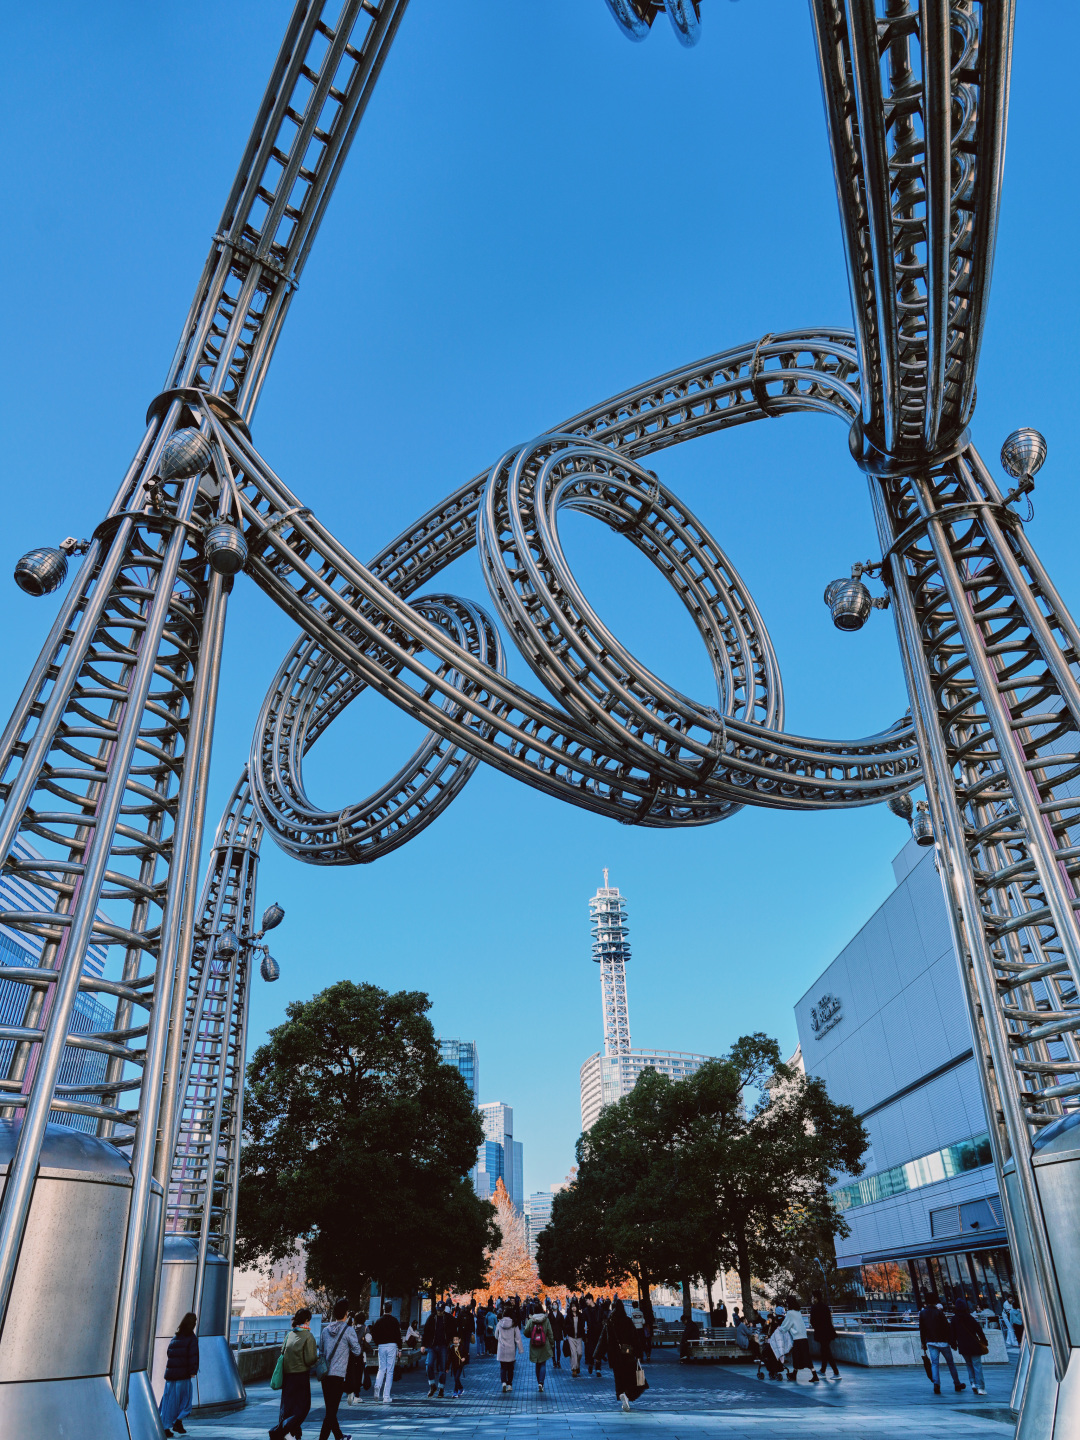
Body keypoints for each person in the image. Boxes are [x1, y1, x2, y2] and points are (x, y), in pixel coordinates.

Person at [317, 1299, 362, 1440]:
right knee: (331, 1412)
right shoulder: (348, 1331)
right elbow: (357, 1351)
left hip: (325, 1375)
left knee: (330, 1408)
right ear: (346, 1314)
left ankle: (339, 1436)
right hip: (338, 1375)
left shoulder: (325, 1331)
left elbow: (322, 1352)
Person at [270, 1308, 318, 1440]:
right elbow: (310, 1359)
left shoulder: (290, 1334)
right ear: (307, 1320)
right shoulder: (308, 1336)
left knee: (289, 1407)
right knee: (303, 1407)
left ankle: (293, 1434)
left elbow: (282, 1352)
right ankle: (279, 1431)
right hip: (301, 1376)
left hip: (287, 1377)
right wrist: (317, 1359)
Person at [595, 1300, 648, 1411]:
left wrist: (598, 1356)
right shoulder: (628, 1321)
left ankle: (621, 1393)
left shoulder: (610, 1322)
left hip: (614, 1355)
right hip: (628, 1354)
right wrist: (639, 1353)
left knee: (618, 1378)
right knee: (629, 1377)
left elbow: (602, 1340)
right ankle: (627, 1395)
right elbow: (635, 1339)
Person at [160, 1311, 199, 1437]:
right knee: (186, 1401)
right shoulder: (191, 1338)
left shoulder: (175, 1337)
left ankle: (165, 1426)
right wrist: (193, 1371)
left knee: (169, 1401)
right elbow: (193, 1356)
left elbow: (169, 1354)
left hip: (171, 1376)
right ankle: (178, 1421)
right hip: (183, 1375)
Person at [919, 1300, 966, 1395]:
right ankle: (957, 1383)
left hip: (931, 1342)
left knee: (934, 1364)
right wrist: (952, 1342)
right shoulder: (939, 1312)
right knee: (951, 1363)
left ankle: (936, 1384)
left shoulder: (923, 1313)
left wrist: (923, 1342)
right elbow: (946, 1327)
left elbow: (922, 1329)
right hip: (943, 1342)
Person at [951, 1299, 988, 1396]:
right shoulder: (970, 1318)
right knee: (977, 1366)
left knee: (969, 1364)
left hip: (963, 1346)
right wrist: (984, 1341)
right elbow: (979, 1330)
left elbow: (952, 1334)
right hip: (974, 1345)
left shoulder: (954, 1319)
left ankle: (973, 1383)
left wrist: (953, 1344)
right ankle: (980, 1387)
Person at [370, 1301, 403, 1404]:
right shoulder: (394, 1321)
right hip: (392, 1346)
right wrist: (400, 1349)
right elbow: (398, 1335)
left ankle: (377, 1386)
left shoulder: (379, 1321)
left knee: (381, 1368)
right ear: (391, 1309)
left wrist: (378, 1343)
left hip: (381, 1346)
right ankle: (386, 1396)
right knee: (390, 1371)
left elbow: (373, 1334)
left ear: (383, 1309)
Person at [421, 1300, 455, 1397]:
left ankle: (441, 1388)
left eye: (441, 1310)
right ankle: (432, 1385)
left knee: (442, 1368)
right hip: (432, 1345)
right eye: (438, 1310)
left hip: (443, 1345)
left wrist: (453, 1341)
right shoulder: (432, 1317)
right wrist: (423, 1345)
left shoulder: (448, 1318)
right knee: (429, 1365)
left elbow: (454, 1330)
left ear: (444, 1310)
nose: (439, 1312)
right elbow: (426, 1331)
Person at [778, 1304, 818, 1383]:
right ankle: (812, 1374)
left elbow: (786, 1324)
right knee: (806, 1357)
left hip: (797, 1338)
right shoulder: (798, 1312)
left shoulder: (790, 1313)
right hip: (804, 1337)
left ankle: (808, 1375)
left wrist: (781, 1328)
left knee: (796, 1356)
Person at [525, 1300, 555, 1393]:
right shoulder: (546, 1320)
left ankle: (539, 1382)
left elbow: (526, 1332)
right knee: (543, 1364)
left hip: (534, 1344)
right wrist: (552, 1343)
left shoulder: (531, 1320)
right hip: (544, 1344)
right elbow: (550, 1333)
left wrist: (531, 1335)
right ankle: (541, 1382)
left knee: (537, 1364)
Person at [808, 1290, 839, 1379]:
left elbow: (812, 1321)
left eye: (812, 1297)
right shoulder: (825, 1307)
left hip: (821, 1332)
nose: (812, 1299)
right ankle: (823, 1370)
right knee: (824, 1351)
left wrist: (816, 1327)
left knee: (827, 1352)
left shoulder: (814, 1308)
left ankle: (836, 1372)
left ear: (816, 1298)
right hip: (829, 1332)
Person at [496, 1307, 525, 1391]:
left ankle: (503, 1382)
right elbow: (518, 1338)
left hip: (501, 1348)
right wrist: (520, 1349)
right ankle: (509, 1384)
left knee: (503, 1367)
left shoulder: (499, 1323)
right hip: (511, 1348)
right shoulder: (514, 1324)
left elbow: (496, 1335)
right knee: (510, 1368)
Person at [565, 1301, 585, 1376]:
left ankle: (577, 1365)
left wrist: (584, 1334)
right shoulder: (568, 1316)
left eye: (575, 1306)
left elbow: (583, 1326)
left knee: (579, 1353)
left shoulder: (580, 1315)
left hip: (579, 1337)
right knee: (573, 1353)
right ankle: (574, 1369)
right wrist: (567, 1331)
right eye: (572, 1306)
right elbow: (565, 1326)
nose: (573, 1307)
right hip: (571, 1337)